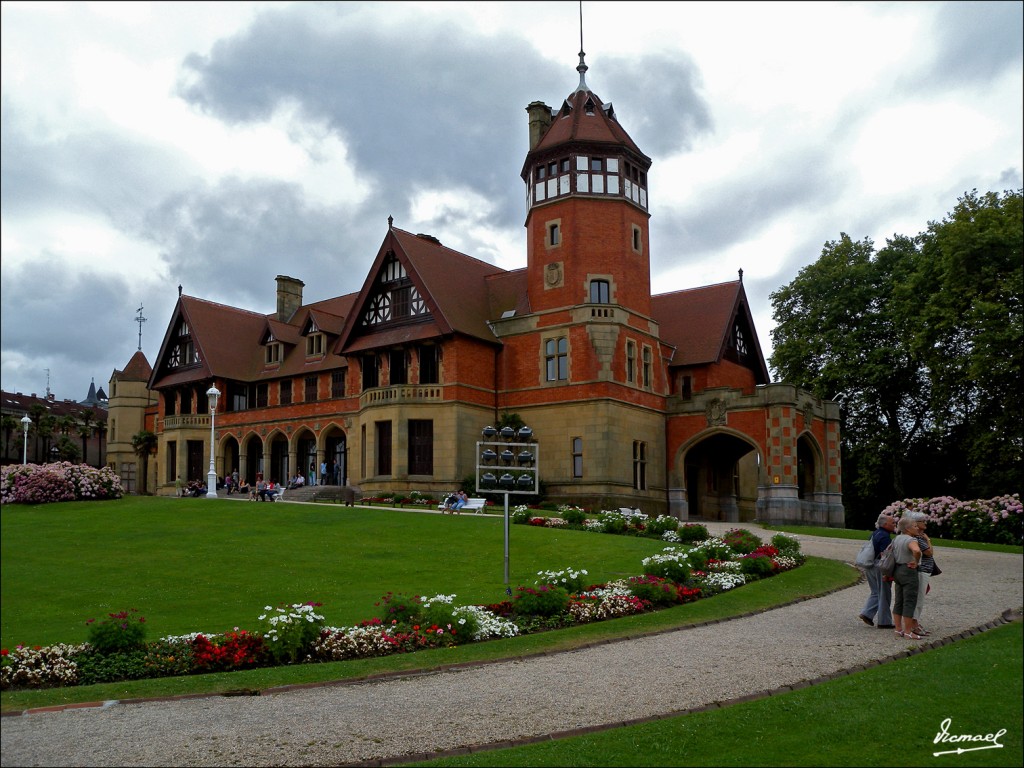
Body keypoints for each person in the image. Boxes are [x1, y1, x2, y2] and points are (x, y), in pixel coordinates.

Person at [858, 512, 896, 629]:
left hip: (869, 565)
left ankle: (867, 613)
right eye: (892, 523)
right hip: (880, 567)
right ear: (885, 524)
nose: (895, 524)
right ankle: (884, 621)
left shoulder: (874, 534)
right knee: (884, 593)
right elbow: (885, 555)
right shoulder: (885, 536)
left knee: (875, 591)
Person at [892, 515, 923, 640]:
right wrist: (916, 561)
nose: (917, 528)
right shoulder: (911, 540)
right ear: (908, 528)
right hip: (908, 570)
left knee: (899, 600)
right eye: (915, 526)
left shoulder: (897, 538)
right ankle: (908, 631)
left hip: (897, 570)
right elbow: (916, 551)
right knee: (909, 601)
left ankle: (898, 629)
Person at [908, 512, 936, 636]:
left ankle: (915, 622)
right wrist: (928, 540)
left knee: (920, 596)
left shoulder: (920, 536)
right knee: (919, 597)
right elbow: (929, 553)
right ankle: (914, 624)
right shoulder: (920, 538)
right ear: (916, 524)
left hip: (925, 570)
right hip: (922, 570)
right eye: (922, 521)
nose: (925, 523)